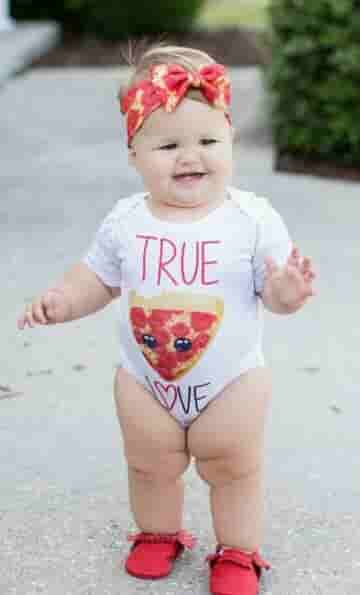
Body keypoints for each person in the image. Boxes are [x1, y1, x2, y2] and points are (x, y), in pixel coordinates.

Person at [17, 45, 316, 595]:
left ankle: (238, 550)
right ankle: (158, 533)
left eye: (207, 141)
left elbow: (270, 290)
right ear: (133, 152)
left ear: (229, 140)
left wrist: (285, 292)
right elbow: (98, 278)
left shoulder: (251, 218)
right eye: (168, 144)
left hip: (231, 382)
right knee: (149, 462)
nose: (189, 156)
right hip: (145, 378)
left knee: (233, 465)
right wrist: (64, 300)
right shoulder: (126, 220)